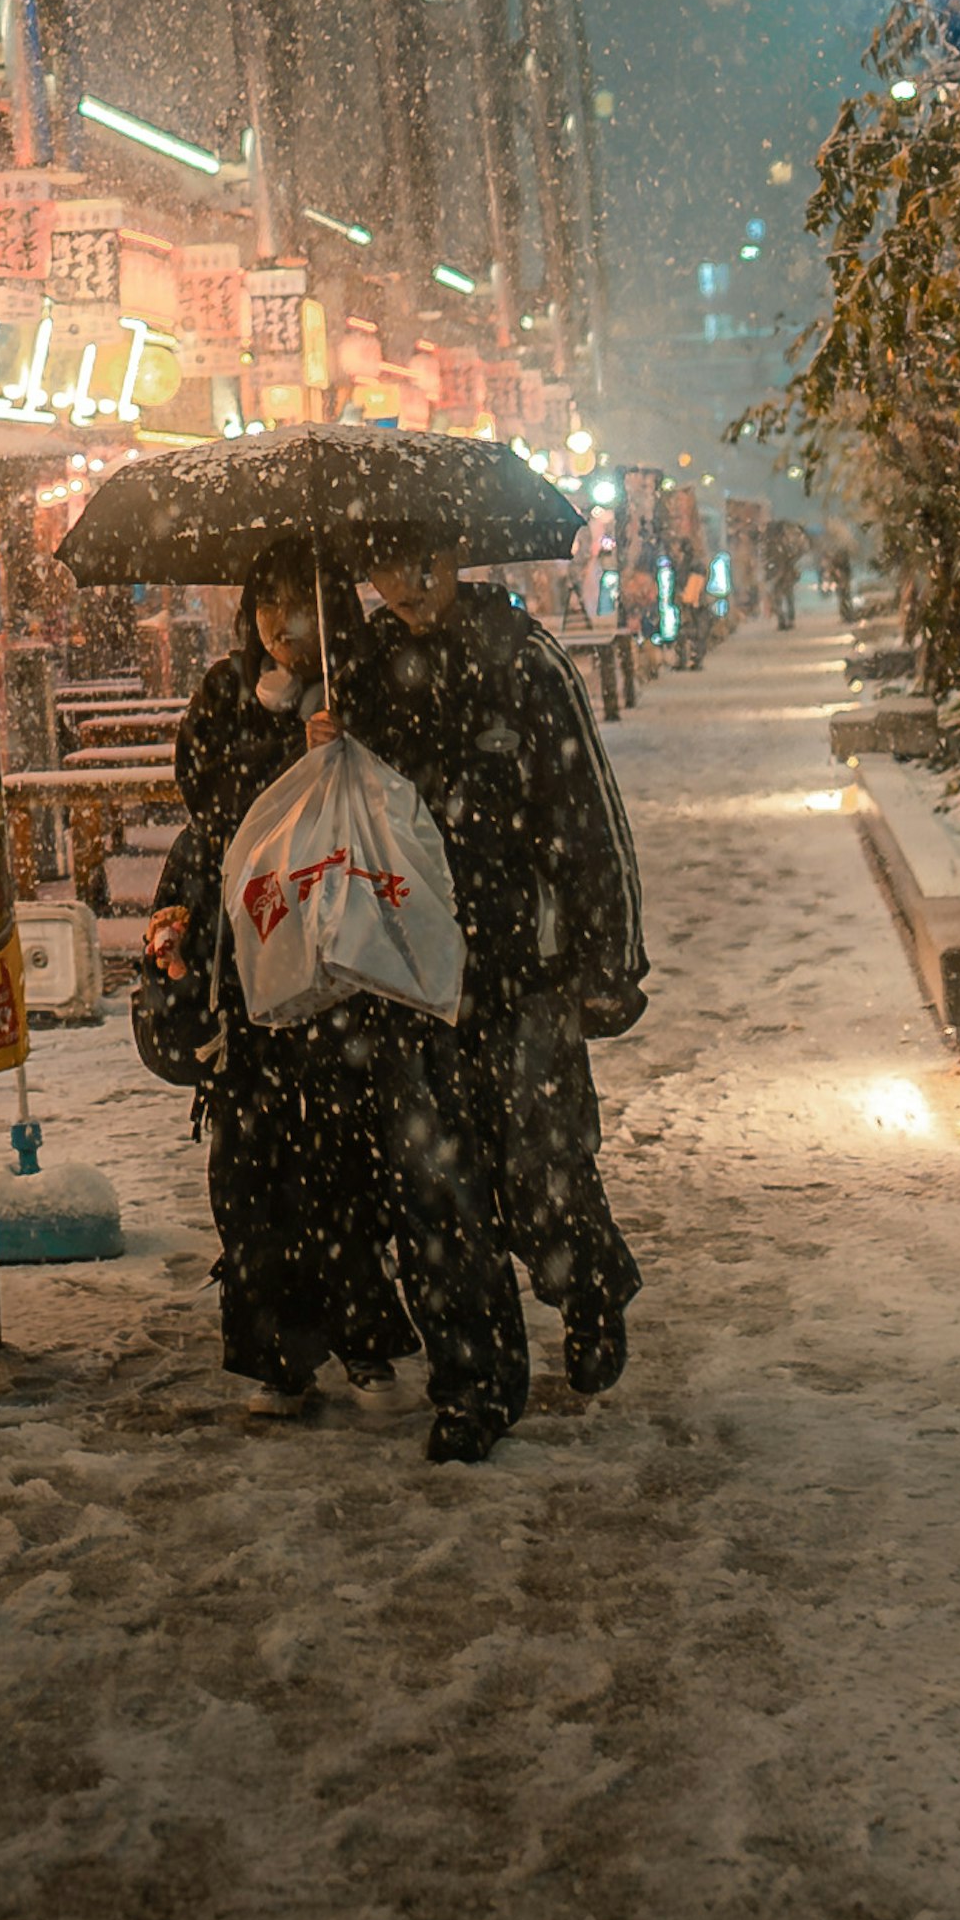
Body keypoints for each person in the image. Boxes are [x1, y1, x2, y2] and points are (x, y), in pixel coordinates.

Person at [146, 554, 531, 1465]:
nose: (284, 627)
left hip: (373, 977)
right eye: (267, 608)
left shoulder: (385, 682)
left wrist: (350, 751)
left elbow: (431, 811)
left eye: (299, 607)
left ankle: (464, 1373)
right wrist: (285, 771)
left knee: (414, 1174)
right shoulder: (227, 696)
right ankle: (284, 1350)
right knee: (263, 1172)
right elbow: (212, 814)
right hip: (265, 971)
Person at [349, 551, 647, 1397]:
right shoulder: (359, 670)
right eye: (389, 564)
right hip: (408, 970)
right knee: (436, 1188)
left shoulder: (523, 654)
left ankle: (588, 1291)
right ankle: (473, 1385)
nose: (407, 582)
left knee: (540, 1167)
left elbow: (586, 805)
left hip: (521, 968)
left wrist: (611, 952)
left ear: (455, 553)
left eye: (423, 560)